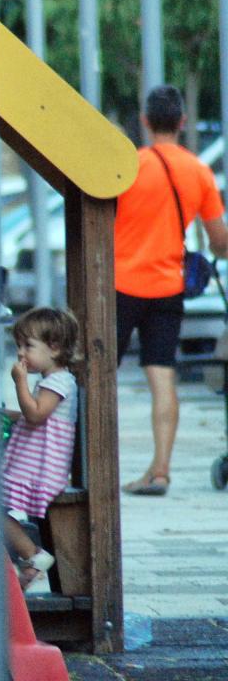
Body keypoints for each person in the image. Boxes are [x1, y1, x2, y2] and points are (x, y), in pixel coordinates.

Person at [116, 85, 228, 496]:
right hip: (168, 287)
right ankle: (160, 470)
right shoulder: (198, 171)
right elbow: (220, 242)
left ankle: (96, 468)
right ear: (182, 122)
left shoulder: (129, 166)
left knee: (98, 377)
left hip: (120, 284)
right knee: (162, 375)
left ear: (145, 121)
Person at [0, 307, 79, 590]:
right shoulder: (51, 381)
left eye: (28, 346)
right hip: (34, 466)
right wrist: (10, 414)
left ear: (55, 348)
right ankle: (26, 563)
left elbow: (36, 415)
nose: (21, 353)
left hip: (39, 470)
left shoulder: (58, 381)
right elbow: (33, 415)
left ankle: (33, 556)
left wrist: (20, 382)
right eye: (19, 345)